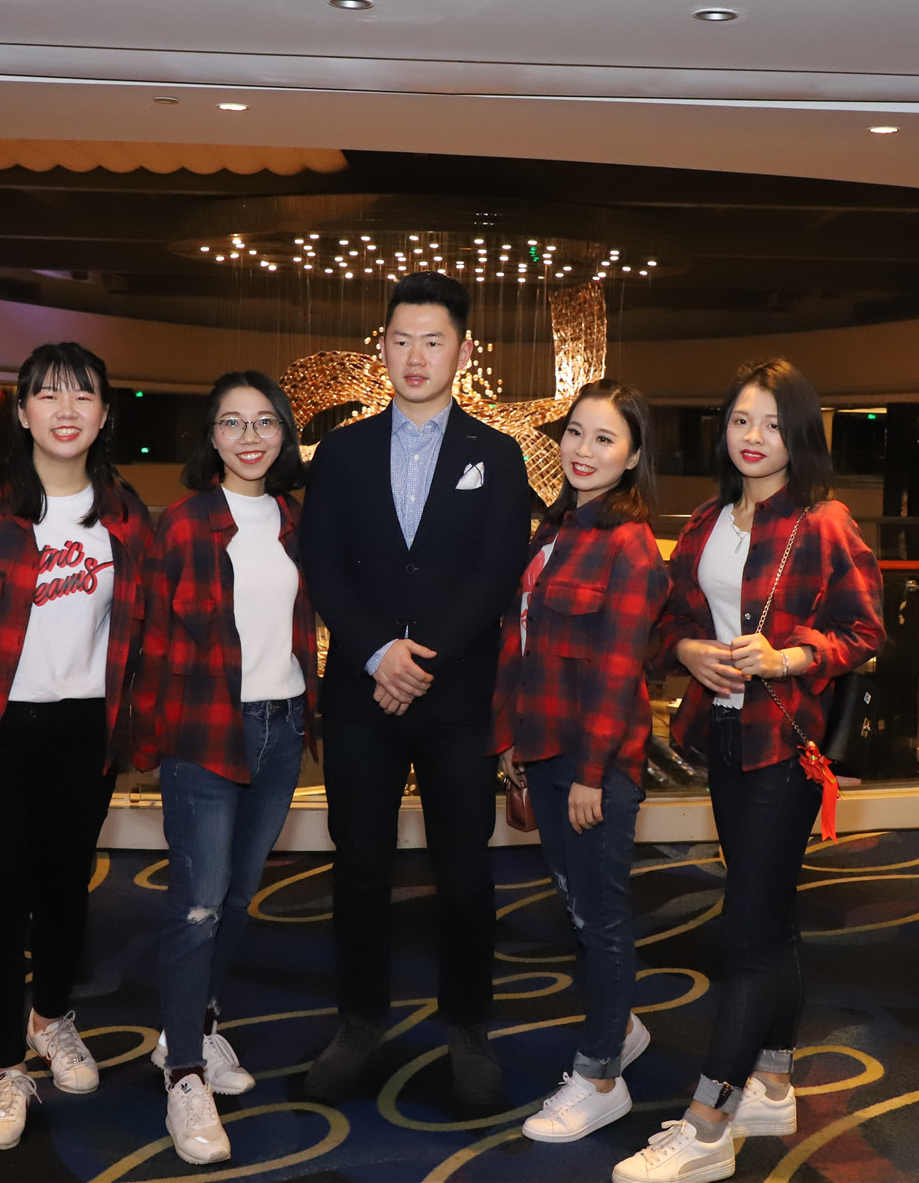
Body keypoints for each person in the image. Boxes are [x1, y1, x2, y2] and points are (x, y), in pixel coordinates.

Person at [613, 359, 885, 1183]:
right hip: (723, 736)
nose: (754, 436)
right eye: (740, 420)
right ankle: (770, 1081)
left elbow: (864, 630)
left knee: (746, 929)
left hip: (785, 743)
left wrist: (789, 654)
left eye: (771, 422)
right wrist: (691, 650)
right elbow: (668, 623)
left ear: (798, 433)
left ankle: (707, 1124)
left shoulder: (824, 522)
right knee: (770, 916)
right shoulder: (706, 521)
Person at [299, 271, 534, 1107]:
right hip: (361, 694)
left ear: (463, 352)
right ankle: (359, 1020)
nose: (415, 356)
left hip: (456, 696)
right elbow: (321, 560)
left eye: (433, 341)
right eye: (401, 340)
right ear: (383, 347)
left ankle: (467, 1026)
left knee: (463, 871)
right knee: (358, 864)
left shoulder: (495, 454)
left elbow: (496, 571)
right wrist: (376, 654)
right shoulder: (342, 450)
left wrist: (418, 661)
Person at [0, 342, 150, 1151]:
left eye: (83, 395)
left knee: (66, 890)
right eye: (48, 395)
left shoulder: (124, 513)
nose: (66, 410)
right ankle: (5, 1066)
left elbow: (139, 626)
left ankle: (51, 1018)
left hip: (83, 733)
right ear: (21, 412)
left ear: (105, 414)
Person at [129, 370, 318, 1166]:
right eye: (232, 422)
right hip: (206, 729)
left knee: (239, 895)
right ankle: (182, 1072)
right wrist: (151, 744)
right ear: (211, 436)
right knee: (199, 904)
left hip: (283, 725)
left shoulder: (295, 519)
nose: (249, 436)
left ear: (284, 435)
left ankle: (198, 1025)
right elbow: (149, 636)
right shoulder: (182, 524)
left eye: (265, 421)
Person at [494, 380, 669, 1144]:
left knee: (600, 916)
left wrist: (593, 771)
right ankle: (619, 1026)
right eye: (575, 433)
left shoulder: (629, 543)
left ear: (632, 457)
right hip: (544, 746)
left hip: (594, 759)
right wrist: (511, 741)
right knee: (576, 907)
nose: (583, 450)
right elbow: (522, 641)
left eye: (605, 438)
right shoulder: (556, 528)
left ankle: (601, 1076)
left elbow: (619, 668)